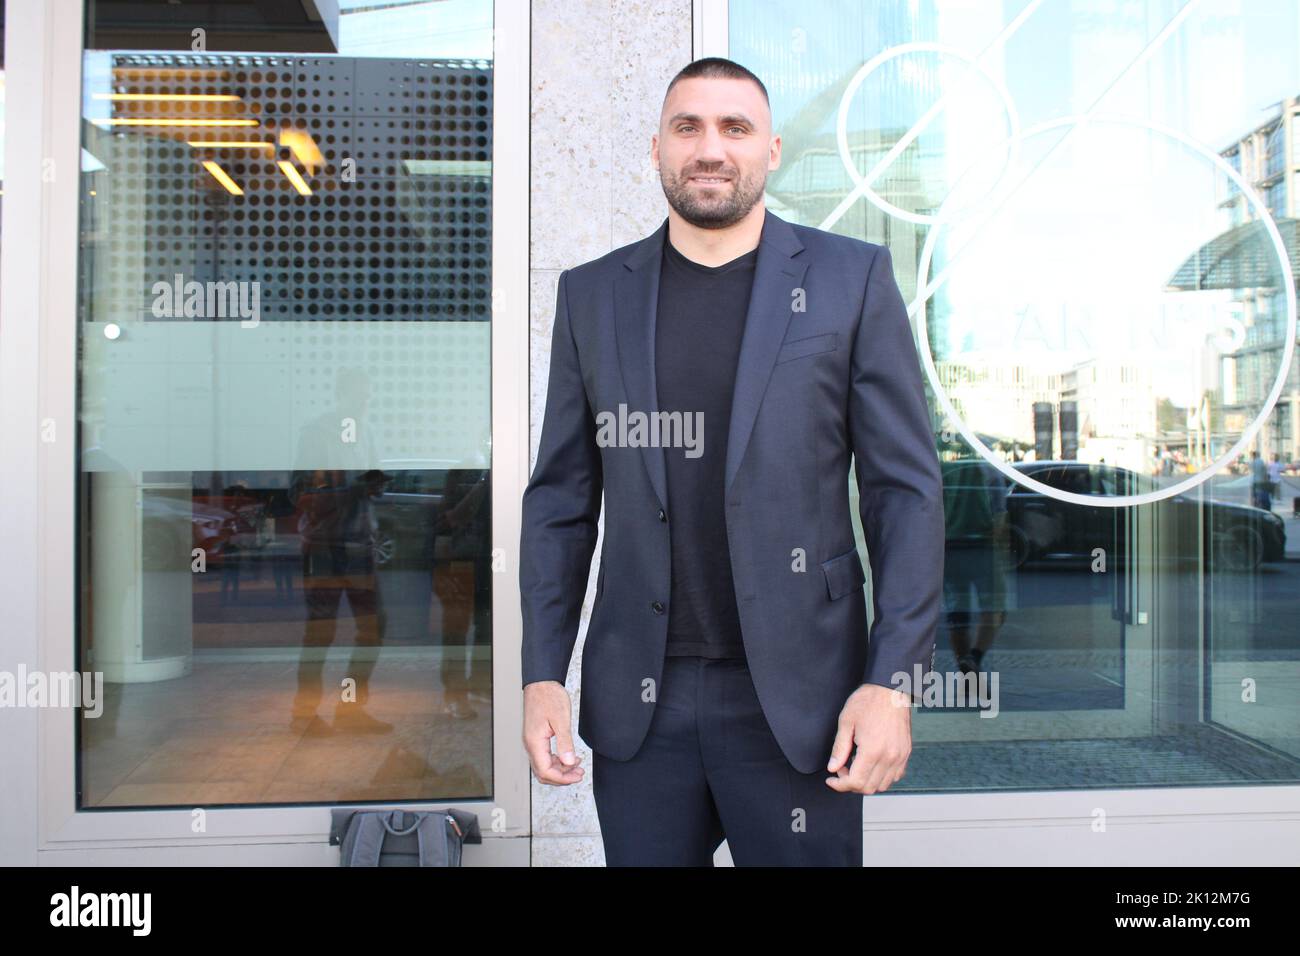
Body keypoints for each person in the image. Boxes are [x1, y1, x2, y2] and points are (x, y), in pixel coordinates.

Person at [519, 58, 944, 866]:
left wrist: (892, 682)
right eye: (689, 127)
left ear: (771, 150)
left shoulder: (849, 281)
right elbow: (561, 502)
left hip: (801, 703)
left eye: (734, 128)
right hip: (641, 703)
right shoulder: (593, 295)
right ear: (655, 149)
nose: (710, 148)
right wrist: (543, 671)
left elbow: (906, 495)